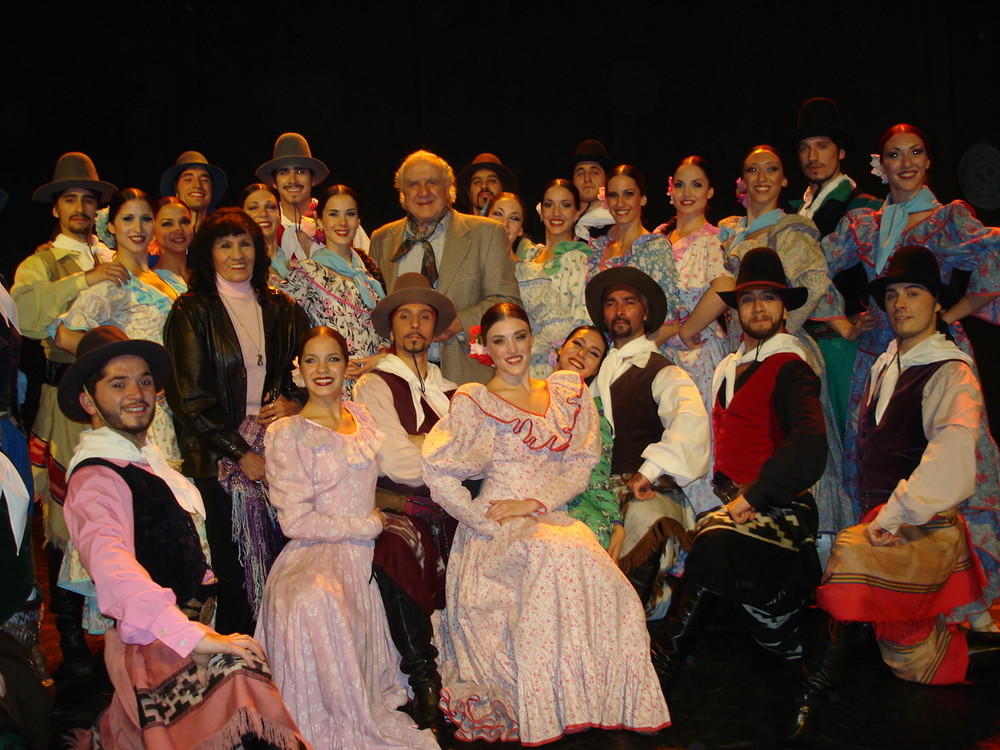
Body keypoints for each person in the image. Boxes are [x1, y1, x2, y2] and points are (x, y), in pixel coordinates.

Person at [421, 302, 669, 744]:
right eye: (500, 340)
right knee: (553, 554)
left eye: (519, 336)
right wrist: (480, 519)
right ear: (486, 348)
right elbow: (438, 472)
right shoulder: (475, 401)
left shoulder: (565, 393)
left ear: (533, 337)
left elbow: (578, 467)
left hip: (545, 513)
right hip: (498, 525)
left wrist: (534, 502)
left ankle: (586, 699)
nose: (512, 348)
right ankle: (543, 701)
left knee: (590, 564)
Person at [787, 247, 1000, 742]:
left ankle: (808, 703)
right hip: (886, 521)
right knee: (913, 658)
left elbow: (950, 453)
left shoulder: (950, 370)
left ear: (937, 304)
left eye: (914, 293)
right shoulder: (886, 362)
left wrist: (894, 516)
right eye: (893, 295)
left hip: (921, 526)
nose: (900, 303)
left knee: (849, 560)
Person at [57, 326, 305, 750]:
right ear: (88, 401)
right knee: (245, 688)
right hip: (153, 646)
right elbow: (114, 569)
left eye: (145, 381)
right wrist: (191, 637)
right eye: (118, 384)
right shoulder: (97, 475)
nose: (136, 392)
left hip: (179, 633)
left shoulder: (145, 462)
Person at [821, 126, 1000, 605]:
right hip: (878, 355)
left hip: (935, 348)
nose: (906, 163)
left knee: (956, 452)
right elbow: (812, 267)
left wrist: (950, 313)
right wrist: (842, 322)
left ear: (929, 160)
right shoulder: (865, 223)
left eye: (916, 152)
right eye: (895, 155)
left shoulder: (949, 218)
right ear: (880, 163)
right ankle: (892, 578)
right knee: (879, 456)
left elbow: (992, 258)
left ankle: (970, 595)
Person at [258, 326, 437, 749]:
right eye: (312, 360)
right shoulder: (287, 433)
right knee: (312, 599)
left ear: (345, 367)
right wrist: (365, 525)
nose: (323, 369)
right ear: (297, 372)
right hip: (318, 549)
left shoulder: (365, 418)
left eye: (333, 359)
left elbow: (383, 471)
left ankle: (421, 673)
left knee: (400, 556)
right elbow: (295, 522)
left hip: (368, 544)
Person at [654, 248, 827, 682]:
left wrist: (755, 494)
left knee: (713, 540)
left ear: (785, 307)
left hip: (783, 510)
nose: (758, 307)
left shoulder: (791, 364)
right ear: (736, 310)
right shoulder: (729, 367)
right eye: (748, 299)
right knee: (712, 537)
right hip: (736, 509)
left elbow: (809, 447)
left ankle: (664, 664)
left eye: (769, 298)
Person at [164, 208, 308, 634]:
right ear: (208, 254)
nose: (237, 253)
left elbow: (311, 367)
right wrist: (240, 452)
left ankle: (284, 659)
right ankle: (241, 668)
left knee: (288, 562)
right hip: (217, 460)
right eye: (225, 244)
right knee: (237, 573)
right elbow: (187, 397)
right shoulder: (192, 310)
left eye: (245, 242)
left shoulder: (281, 306)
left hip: (280, 450)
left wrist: (294, 401)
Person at [12, 151, 120, 677]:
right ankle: (72, 637)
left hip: (118, 405)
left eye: (88, 199)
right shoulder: (42, 262)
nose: (80, 207)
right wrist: (87, 279)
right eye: (71, 199)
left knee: (116, 511)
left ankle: (117, 628)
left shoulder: (117, 252)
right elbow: (31, 318)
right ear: (56, 208)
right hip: (66, 407)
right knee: (66, 516)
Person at [720, 144, 854, 537]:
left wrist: (773, 338)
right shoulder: (732, 232)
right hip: (743, 352)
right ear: (741, 181)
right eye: (752, 170)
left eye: (771, 169)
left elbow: (813, 280)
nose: (761, 177)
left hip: (781, 347)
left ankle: (814, 537)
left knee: (795, 436)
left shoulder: (790, 230)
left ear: (783, 179)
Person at [354, 273, 462, 728]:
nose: (415, 325)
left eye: (424, 316)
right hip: (403, 506)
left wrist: (422, 441)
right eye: (405, 316)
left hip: (455, 507)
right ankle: (423, 678)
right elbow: (397, 464)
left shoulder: (456, 390)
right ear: (391, 329)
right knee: (394, 547)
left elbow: (475, 461)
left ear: (436, 328)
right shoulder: (373, 386)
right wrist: (442, 450)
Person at [586, 267, 711, 615]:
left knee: (646, 515)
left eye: (629, 302)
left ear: (644, 312)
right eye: (611, 304)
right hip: (599, 493)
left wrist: (648, 471)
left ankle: (631, 625)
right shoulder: (594, 376)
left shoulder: (663, 371)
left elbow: (689, 424)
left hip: (647, 491)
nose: (619, 310)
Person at [53, 188, 186, 469]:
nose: (138, 229)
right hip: (145, 407)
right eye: (128, 219)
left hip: (182, 403)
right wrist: (127, 365)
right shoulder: (112, 283)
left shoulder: (169, 279)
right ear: (111, 226)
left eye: (146, 219)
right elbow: (65, 335)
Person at [369, 149, 520, 385]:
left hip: (468, 379)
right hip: (399, 378)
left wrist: (458, 323)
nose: (423, 192)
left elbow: (506, 303)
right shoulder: (382, 240)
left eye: (432, 182)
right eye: (413, 184)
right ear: (402, 192)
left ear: (448, 187)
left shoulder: (487, 233)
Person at [788, 97, 881, 436]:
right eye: (804, 148)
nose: (812, 157)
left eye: (822, 146)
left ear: (840, 152)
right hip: (800, 343)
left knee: (851, 435)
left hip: (842, 346)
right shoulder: (795, 213)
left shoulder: (863, 209)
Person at [279, 184, 386, 394]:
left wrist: (380, 358)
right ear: (320, 221)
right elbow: (284, 338)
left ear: (358, 220)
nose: (343, 222)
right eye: (333, 214)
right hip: (332, 392)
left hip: (374, 388)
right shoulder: (305, 273)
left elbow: (385, 334)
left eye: (350, 214)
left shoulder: (369, 275)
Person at [656, 155, 735, 414]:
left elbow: (725, 287)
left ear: (710, 191)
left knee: (696, 434)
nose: (687, 193)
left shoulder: (713, 239)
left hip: (697, 352)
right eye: (680, 185)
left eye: (696, 185)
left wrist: (686, 331)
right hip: (659, 348)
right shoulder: (658, 239)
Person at [589, 165, 683, 351]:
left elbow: (669, 323)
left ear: (643, 198)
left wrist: (627, 362)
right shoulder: (598, 249)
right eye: (614, 195)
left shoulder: (654, 247)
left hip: (643, 359)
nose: (621, 202)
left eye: (629, 194)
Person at [553, 324, 623, 554]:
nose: (581, 355)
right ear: (560, 349)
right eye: (577, 345)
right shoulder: (524, 395)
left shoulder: (595, 415)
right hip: (520, 492)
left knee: (593, 533)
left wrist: (616, 522)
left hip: (575, 502)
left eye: (593, 353)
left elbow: (597, 474)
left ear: (596, 370)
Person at [514, 179, 593, 377]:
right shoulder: (529, 256)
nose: (556, 213)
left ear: (577, 213)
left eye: (565, 205)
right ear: (541, 211)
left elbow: (578, 321)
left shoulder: (578, 259)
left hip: (552, 366)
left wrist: (528, 350)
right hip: (517, 362)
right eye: (549, 205)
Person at [557, 139, 614, 240]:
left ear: (606, 179)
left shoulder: (617, 224)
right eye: (580, 173)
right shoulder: (560, 222)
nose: (587, 179)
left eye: (594, 172)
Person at [158, 150, 228, 229]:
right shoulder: (160, 232)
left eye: (204, 180)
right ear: (176, 189)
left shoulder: (225, 227)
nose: (197, 185)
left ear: (211, 190)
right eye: (188, 179)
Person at [239, 183, 283, 284]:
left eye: (271, 207)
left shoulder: (295, 258)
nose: (263, 213)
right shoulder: (240, 266)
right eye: (253, 208)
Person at [150, 197, 193, 286]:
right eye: (168, 224)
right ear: (153, 231)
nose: (178, 229)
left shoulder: (205, 279)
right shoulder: (147, 284)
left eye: (185, 222)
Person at [485, 191, 532, 259]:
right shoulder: (467, 263)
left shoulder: (531, 269)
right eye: (498, 214)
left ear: (520, 230)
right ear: (485, 219)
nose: (504, 224)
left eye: (514, 218)